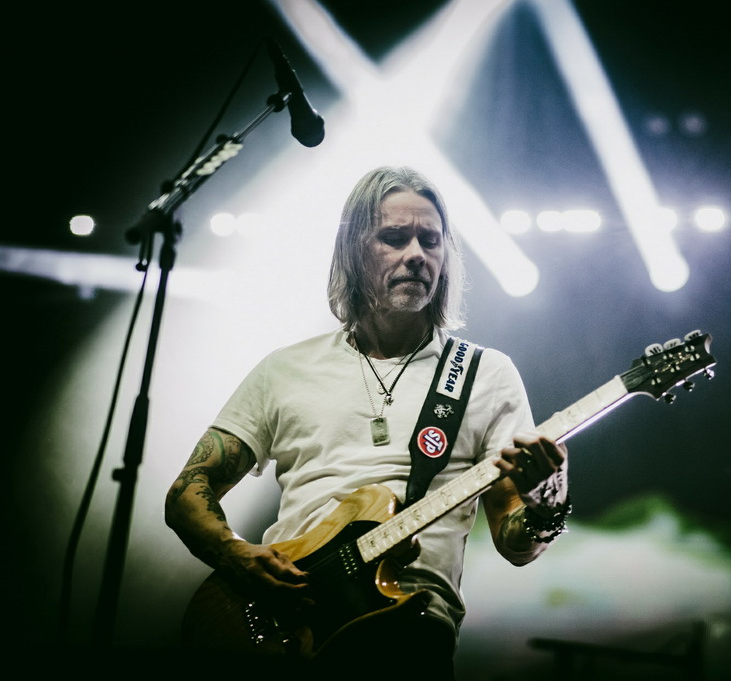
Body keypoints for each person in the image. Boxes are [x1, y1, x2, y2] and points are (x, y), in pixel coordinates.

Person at [164, 165, 570, 676]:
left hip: (407, 635)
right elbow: (188, 489)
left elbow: (516, 545)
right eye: (395, 238)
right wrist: (237, 557)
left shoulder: (486, 374)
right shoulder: (285, 369)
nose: (417, 254)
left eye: (430, 240)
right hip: (287, 622)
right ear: (354, 251)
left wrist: (548, 501)